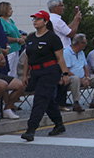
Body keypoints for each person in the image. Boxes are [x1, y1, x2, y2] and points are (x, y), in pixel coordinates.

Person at [21, 10, 71, 141]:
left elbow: (60, 58)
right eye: (34, 19)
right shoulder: (31, 38)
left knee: (40, 99)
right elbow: (27, 58)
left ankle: (30, 129)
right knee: (47, 100)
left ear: (45, 21)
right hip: (35, 73)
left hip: (49, 72)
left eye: (38, 19)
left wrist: (65, 74)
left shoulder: (52, 38)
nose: (35, 21)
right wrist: (25, 76)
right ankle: (59, 124)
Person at [59, 34, 94, 111]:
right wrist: (80, 79)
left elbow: (86, 67)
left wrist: (87, 78)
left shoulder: (81, 52)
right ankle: (76, 103)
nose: (85, 45)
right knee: (75, 78)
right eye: (84, 43)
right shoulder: (67, 53)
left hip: (83, 77)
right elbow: (66, 70)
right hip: (71, 79)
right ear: (79, 44)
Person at [0, 1, 25, 78]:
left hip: (16, 48)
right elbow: (4, 37)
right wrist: (17, 40)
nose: (12, 11)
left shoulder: (10, 20)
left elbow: (15, 32)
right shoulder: (1, 21)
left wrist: (21, 37)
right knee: (10, 70)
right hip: (10, 50)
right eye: (10, 9)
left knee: (14, 70)